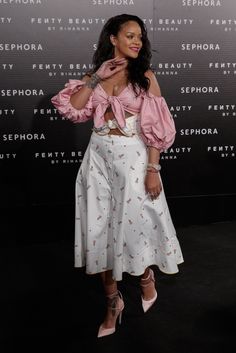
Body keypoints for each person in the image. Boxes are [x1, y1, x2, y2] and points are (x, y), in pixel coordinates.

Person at [51, 13, 184, 338]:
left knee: (137, 227)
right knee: (99, 231)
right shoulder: (93, 77)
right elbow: (73, 111)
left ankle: (144, 277)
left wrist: (153, 169)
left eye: (140, 36)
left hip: (135, 162)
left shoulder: (146, 78)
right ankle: (113, 303)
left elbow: (156, 130)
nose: (137, 41)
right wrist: (96, 77)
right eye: (129, 35)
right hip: (97, 162)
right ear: (112, 38)